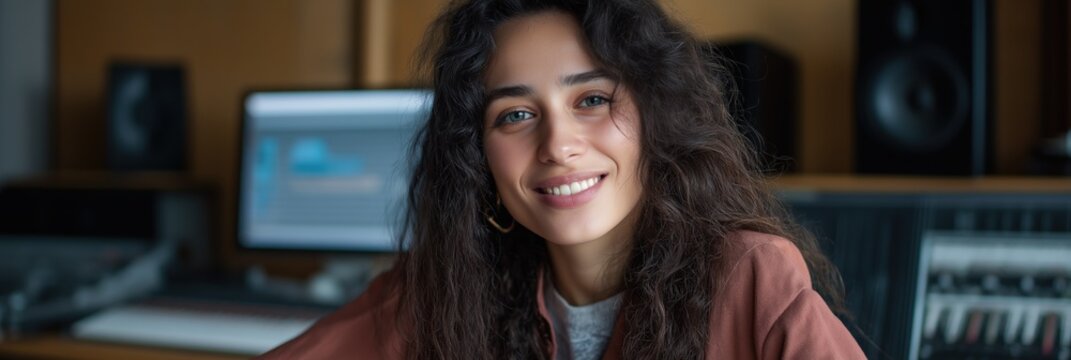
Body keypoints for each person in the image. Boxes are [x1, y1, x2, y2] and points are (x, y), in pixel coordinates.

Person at [260, 0, 866, 358]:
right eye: (516, 115)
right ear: (477, 154)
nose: (558, 146)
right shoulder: (443, 287)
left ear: (658, 113)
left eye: (593, 99)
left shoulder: (752, 275)